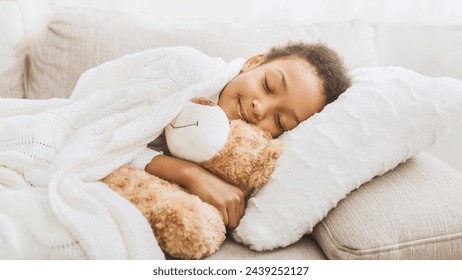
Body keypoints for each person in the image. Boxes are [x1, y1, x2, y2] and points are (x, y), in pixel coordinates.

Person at [139, 42, 352, 229]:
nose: (259, 108)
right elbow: (108, 135)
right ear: (253, 63)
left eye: (280, 121)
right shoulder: (185, 70)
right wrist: (189, 174)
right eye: (268, 86)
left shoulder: (238, 154)